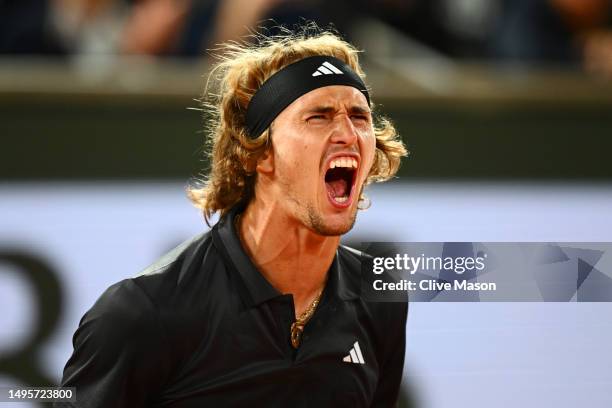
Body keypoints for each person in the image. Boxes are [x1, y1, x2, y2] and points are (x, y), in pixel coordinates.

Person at [56, 25, 408, 407]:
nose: (348, 133)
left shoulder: (380, 298)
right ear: (258, 153)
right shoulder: (142, 314)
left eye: (359, 117)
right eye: (319, 117)